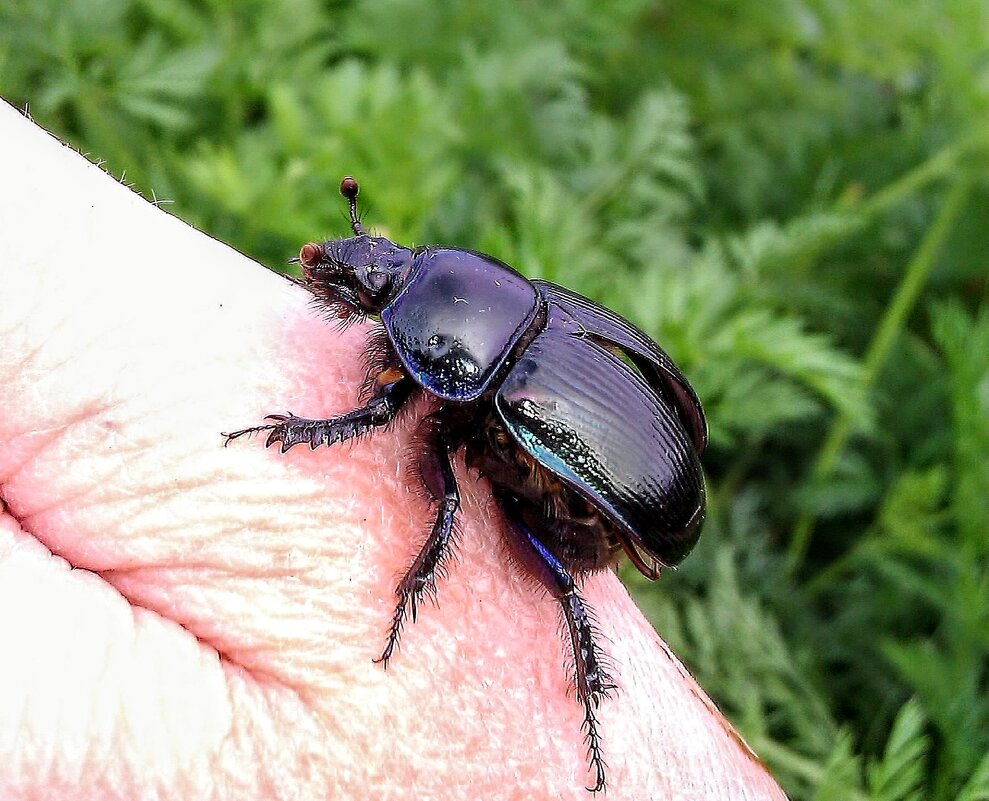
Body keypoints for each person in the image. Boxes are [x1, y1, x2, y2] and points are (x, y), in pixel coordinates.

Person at [0, 101, 787, 800]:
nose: (369, 281)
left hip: (631, 498)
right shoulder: (494, 321)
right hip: (629, 451)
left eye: (385, 286)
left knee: (547, 573)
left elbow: (377, 419)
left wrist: (297, 430)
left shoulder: (495, 379)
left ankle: (589, 698)